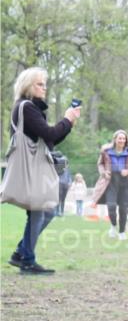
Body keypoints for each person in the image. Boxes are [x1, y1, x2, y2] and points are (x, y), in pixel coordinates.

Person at [6, 67, 80, 274]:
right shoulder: (26, 107)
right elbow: (49, 132)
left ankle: (22, 254)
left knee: (45, 211)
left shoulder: (32, 109)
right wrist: (66, 119)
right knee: (42, 211)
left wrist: (69, 123)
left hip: (37, 166)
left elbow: (49, 139)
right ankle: (26, 258)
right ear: (28, 86)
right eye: (40, 84)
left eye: (44, 84)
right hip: (32, 167)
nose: (44, 88)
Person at [92, 130, 128, 240]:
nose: (122, 140)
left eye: (123, 138)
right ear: (115, 139)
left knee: (123, 208)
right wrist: (104, 172)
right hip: (110, 182)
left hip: (125, 183)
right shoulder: (106, 151)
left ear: (126, 140)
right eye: (120, 138)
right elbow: (100, 164)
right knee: (111, 206)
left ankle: (122, 232)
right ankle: (113, 226)